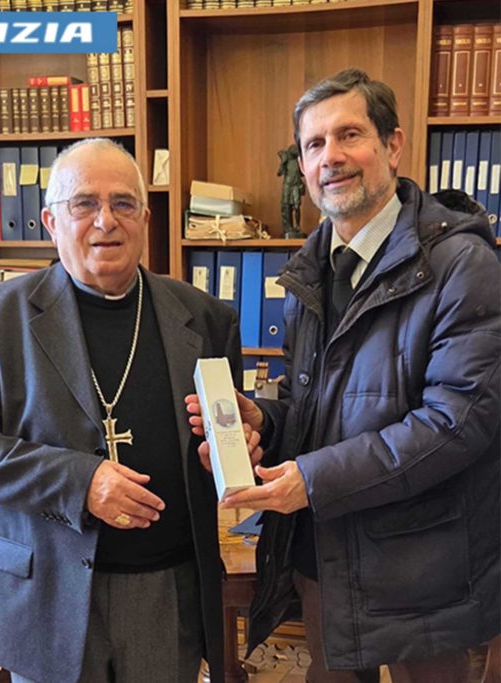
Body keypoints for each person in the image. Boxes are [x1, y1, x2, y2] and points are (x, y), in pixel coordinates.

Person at [188, 69, 501, 682]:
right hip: (326, 557)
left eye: (349, 135)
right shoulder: (310, 269)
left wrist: (311, 479)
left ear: (393, 145)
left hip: (426, 573)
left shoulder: (463, 264)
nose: (330, 156)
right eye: (313, 144)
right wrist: (264, 423)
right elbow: (314, 405)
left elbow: (457, 422)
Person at [0, 138, 260, 683]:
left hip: (167, 589)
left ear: (145, 219)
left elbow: (227, 438)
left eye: (123, 204)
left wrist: (235, 450)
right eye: (84, 203)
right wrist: (80, 482)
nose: (105, 221)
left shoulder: (207, 317)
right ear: (51, 221)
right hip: (48, 587)